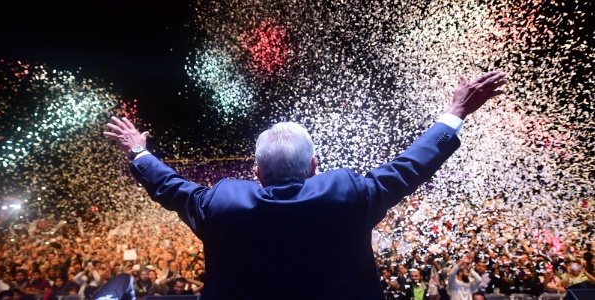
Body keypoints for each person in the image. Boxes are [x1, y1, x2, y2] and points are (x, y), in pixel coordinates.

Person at [104, 71, 507, 299]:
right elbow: (409, 167)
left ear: (257, 174)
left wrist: (139, 150)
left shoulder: (222, 204)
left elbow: (171, 187)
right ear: (315, 166)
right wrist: (456, 111)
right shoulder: (348, 195)